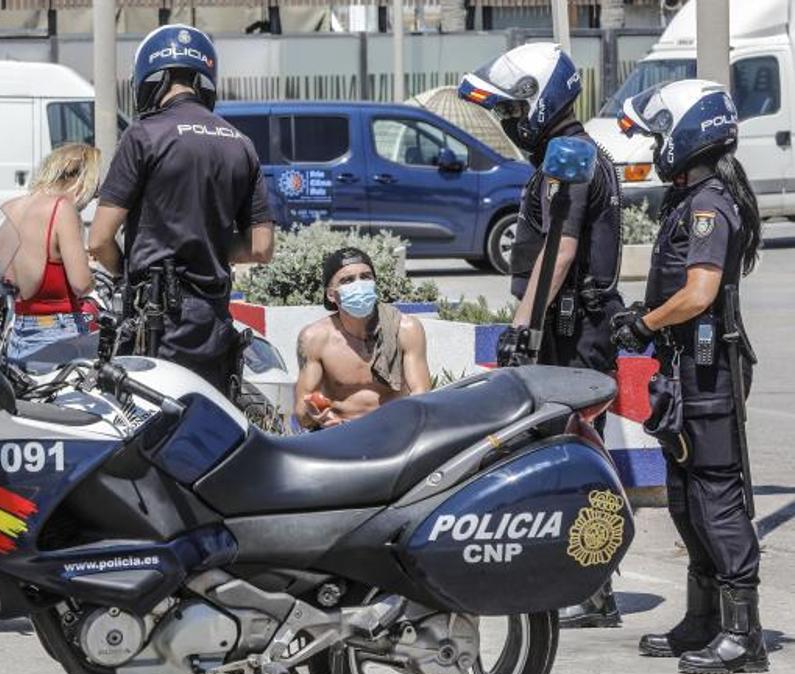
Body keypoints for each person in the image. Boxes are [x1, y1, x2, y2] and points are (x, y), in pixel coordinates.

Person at [459, 42, 625, 628]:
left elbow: (560, 255)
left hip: (575, 330)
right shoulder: (568, 153)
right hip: (572, 325)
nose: (507, 123)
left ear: (540, 100)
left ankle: (593, 583)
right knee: (565, 450)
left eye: (512, 111)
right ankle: (588, 582)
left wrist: (521, 323)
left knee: (576, 452)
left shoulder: (572, 156)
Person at [611, 80, 766, 674]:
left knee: (716, 499)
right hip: (683, 372)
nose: (654, 146)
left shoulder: (708, 205)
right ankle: (703, 619)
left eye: (658, 134)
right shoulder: (691, 195)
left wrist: (643, 324)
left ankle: (742, 635)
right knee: (684, 498)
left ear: (687, 135)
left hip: (707, 373)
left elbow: (699, 293)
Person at [88, 24, 273, 394]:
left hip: (157, 321)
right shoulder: (241, 144)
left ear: (151, 78)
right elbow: (261, 247)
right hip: (213, 322)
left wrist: (124, 272)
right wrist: (211, 243)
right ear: (205, 80)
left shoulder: (144, 135)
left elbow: (99, 239)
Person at [295, 248, 431, 430]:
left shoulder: (405, 329)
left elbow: (422, 396)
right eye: (347, 280)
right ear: (331, 294)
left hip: (395, 430)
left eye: (366, 277)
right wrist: (319, 415)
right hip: (341, 433)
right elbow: (303, 413)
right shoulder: (314, 339)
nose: (359, 285)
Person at [3, 143, 100, 373]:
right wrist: (90, 272)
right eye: (95, 187)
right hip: (58, 333)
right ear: (80, 180)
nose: (94, 195)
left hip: (19, 332)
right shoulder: (62, 210)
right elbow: (81, 284)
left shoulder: (12, 208)